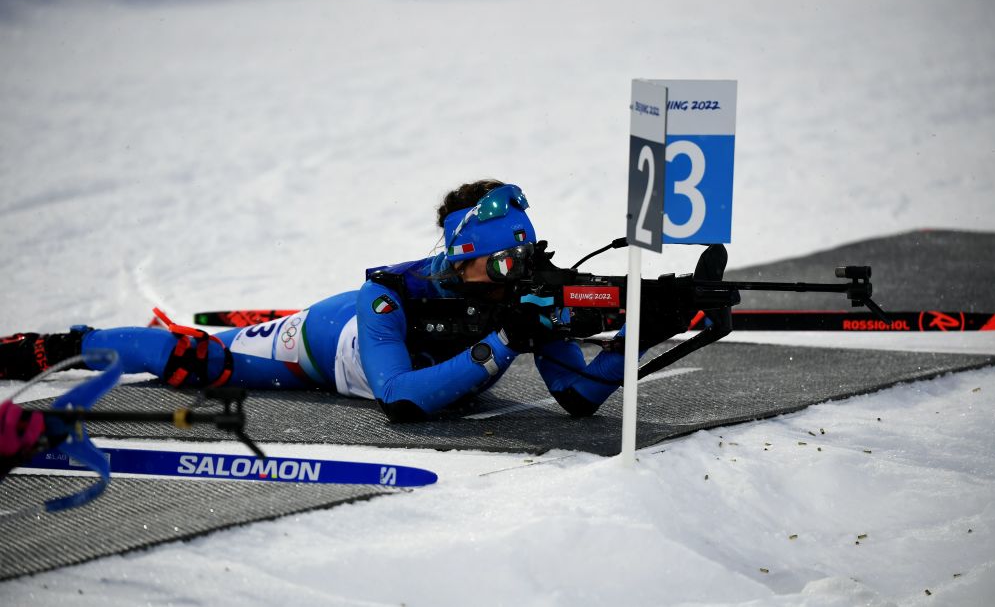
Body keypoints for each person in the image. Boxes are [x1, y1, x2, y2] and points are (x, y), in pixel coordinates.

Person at [0, 180, 630, 425]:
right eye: (503, 261)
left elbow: (578, 395)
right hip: (316, 347)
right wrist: (504, 343)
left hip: (389, 349)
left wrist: (645, 335)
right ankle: (64, 345)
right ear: (464, 256)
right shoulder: (391, 293)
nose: (518, 274)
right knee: (200, 361)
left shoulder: (526, 296)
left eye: (525, 257)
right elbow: (403, 400)